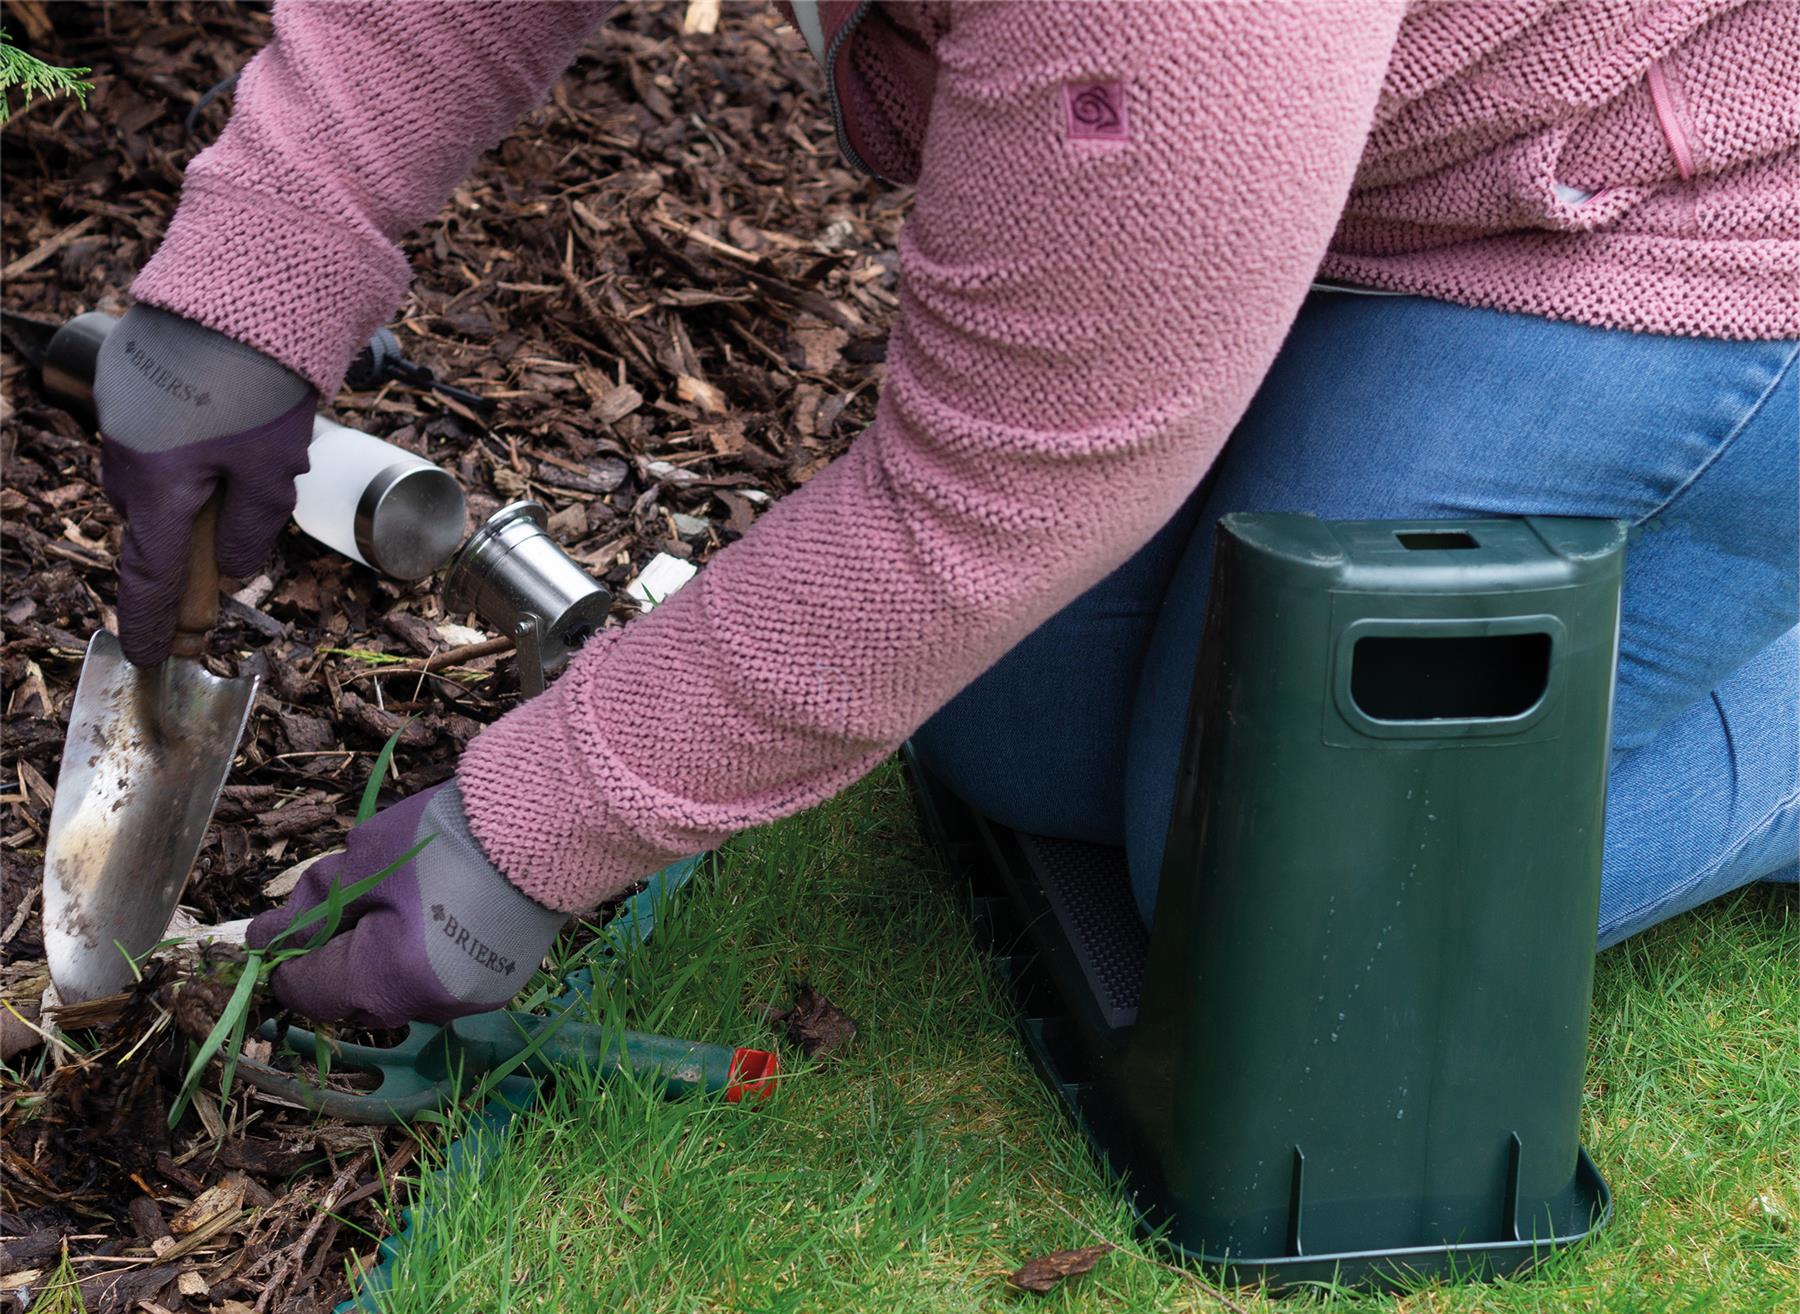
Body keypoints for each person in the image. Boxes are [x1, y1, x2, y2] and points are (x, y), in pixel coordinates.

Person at [91, 0, 1798, 1029]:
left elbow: (997, 498)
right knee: (1016, 738)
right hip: (1382, 138)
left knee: (1289, 905)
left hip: (1693, 197)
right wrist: (248, 290)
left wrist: (522, 835)